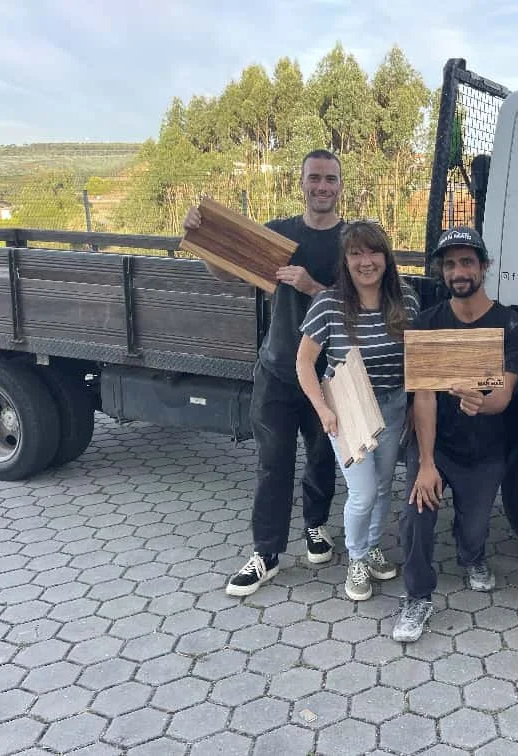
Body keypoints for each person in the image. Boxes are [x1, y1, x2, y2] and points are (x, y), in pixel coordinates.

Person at [183, 149, 346, 597]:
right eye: (314, 178)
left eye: (330, 179)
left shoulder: (352, 241)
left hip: (329, 373)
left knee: (321, 456)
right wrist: (200, 239)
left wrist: (312, 286)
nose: (322, 187)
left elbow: (363, 306)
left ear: (340, 186)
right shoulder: (278, 234)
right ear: (302, 183)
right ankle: (266, 554)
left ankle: (316, 527)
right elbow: (227, 274)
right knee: (272, 464)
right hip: (276, 369)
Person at [391, 227, 518, 643]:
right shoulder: (429, 323)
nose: (459, 271)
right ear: (441, 272)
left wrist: (478, 402)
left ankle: (473, 555)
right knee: (419, 508)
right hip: (437, 444)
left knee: (474, 532)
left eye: (467, 261)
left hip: (486, 446)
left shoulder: (509, 322)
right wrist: (427, 464)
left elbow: (503, 396)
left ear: (483, 266)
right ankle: (417, 596)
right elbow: (425, 398)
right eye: (450, 264)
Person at [295, 221, 419, 602]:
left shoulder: (407, 301)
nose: (366, 261)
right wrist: (323, 410)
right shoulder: (329, 304)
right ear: (346, 261)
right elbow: (303, 363)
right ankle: (357, 558)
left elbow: (416, 361)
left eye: (373, 252)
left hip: (392, 405)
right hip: (347, 406)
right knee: (363, 492)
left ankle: (373, 545)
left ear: (387, 257)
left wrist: (414, 404)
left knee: (383, 487)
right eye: (356, 253)